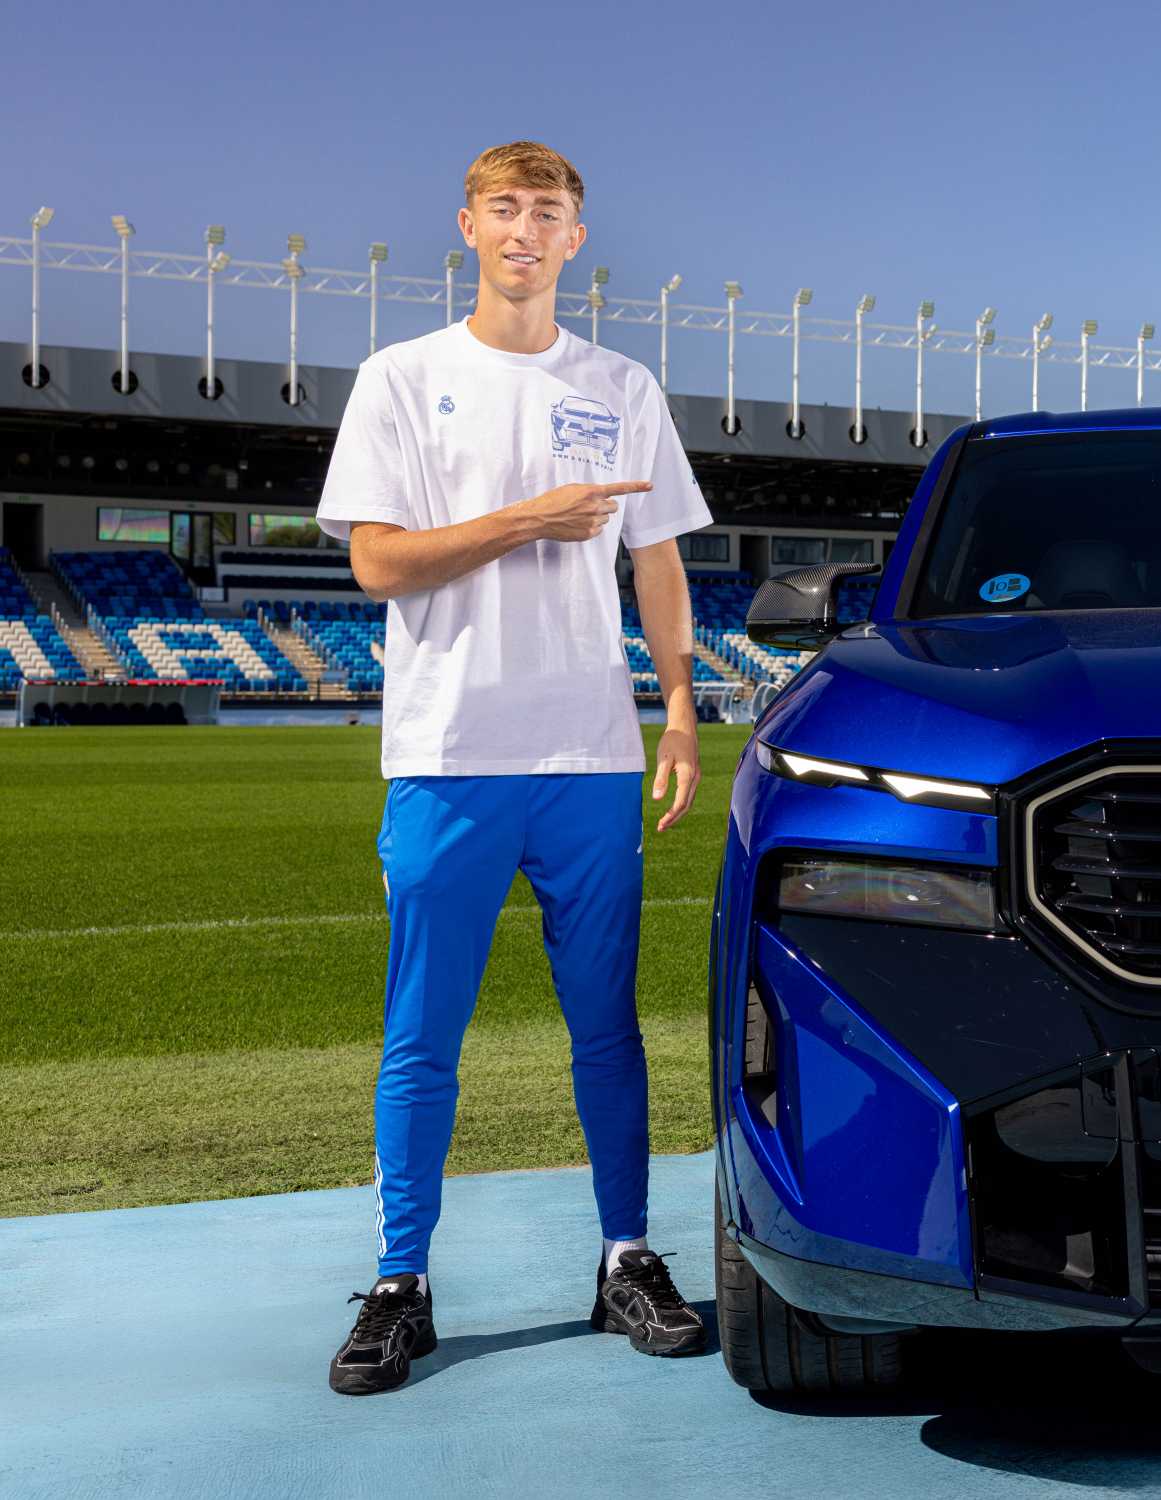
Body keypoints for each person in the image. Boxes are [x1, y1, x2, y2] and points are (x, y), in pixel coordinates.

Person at [316, 141, 710, 1395]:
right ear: (469, 226)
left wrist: (681, 713)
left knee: (607, 1028)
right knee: (420, 1035)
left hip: (590, 754)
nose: (524, 229)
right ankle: (400, 1283)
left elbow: (657, 559)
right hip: (448, 754)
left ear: (575, 237)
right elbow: (376, 562)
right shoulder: (402, 377)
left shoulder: (621, 383)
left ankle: (625, 1258)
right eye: (504, 207)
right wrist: (526, 520)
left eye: (547, 211)